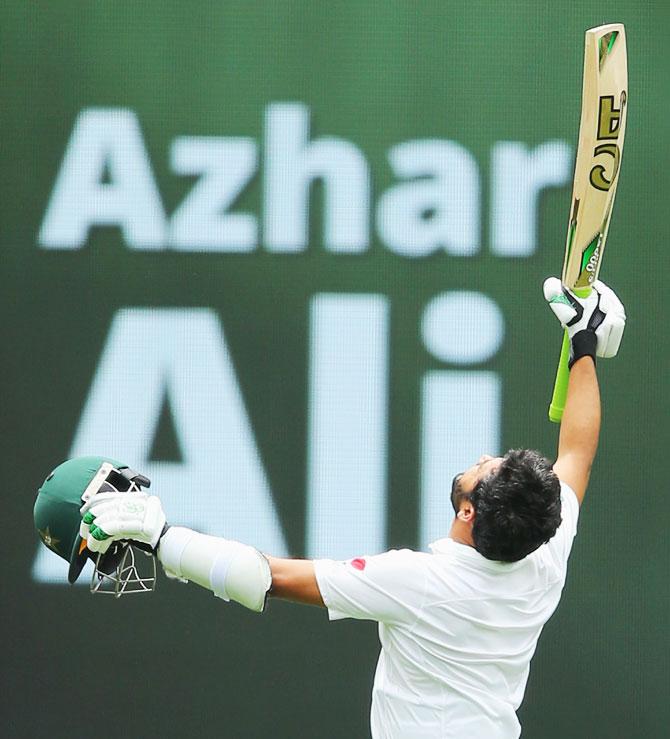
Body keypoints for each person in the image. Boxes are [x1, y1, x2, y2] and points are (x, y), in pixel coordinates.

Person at [34, 278, 626, 738]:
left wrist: (163, 538)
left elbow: (267, 578)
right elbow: (577, 450)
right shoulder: (541, 554)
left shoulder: (421, 582)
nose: (479, 456)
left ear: (469, 512)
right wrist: (584, 347)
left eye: (485, 467)